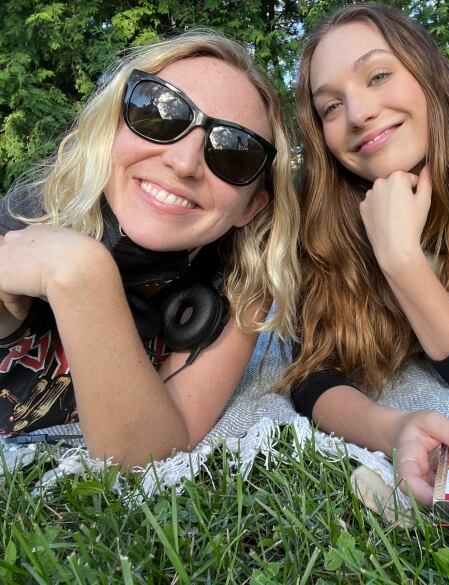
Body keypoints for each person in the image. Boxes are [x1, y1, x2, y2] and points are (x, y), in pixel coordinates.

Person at [0, 30, 300, 466]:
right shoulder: (21, 221)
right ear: (113, 128)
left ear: (251, 206)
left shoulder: (241, 284)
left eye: (234, 153)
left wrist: (82, 275)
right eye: (160, 114)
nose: (184, 163)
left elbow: (149, 455)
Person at [285, 3, 449, 504]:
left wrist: (400, 257)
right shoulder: (314, 216)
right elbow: (312, 375)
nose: (358, 114)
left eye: (378, 75)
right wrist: (392, 427)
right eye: (331, 107)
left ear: (430, 79)